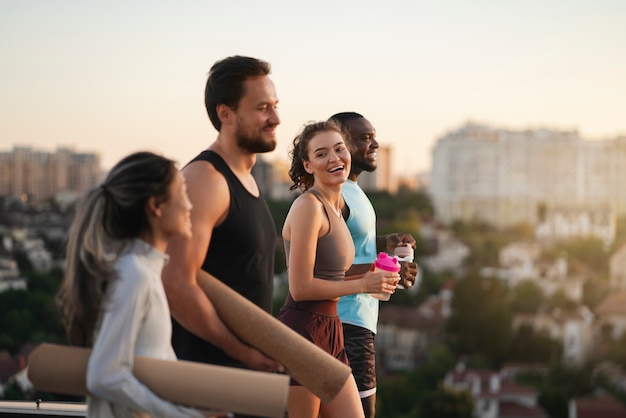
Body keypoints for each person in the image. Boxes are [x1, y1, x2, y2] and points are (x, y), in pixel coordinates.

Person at [56, 151, 206, 417]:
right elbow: (104, 375)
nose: (190, 205)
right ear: (155, 206)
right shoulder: (133, 274)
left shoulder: (143, 270)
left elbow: (157, 362)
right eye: (183, 192)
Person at [161, 55, 283, 377]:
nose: (275, 118)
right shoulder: (206, 180)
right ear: (225, 114)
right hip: (208, 383)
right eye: (262, 108)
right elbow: (175, 284)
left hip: (242, 376)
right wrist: (241, 352)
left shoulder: (247, 179)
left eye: (275, 105)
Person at [277, 120, 399, 418]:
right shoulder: (308, 206)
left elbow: (332, 274)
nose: (334, 158)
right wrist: (363, 285)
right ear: (308, 165)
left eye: (339, 149)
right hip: (303, 333)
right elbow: (301, 287)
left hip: (332, 332)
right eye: (321, 154)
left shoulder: (338, 206)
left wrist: (375, 273)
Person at [328, 112, 419, 418]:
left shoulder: (354, 192)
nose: (375, 143)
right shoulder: (336, 194)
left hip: (356, 320)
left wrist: (385, 243)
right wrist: (386, 272)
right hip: (346, 322)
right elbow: (323, 268)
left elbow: (349, 246)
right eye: (365, 137)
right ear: (341, 144)